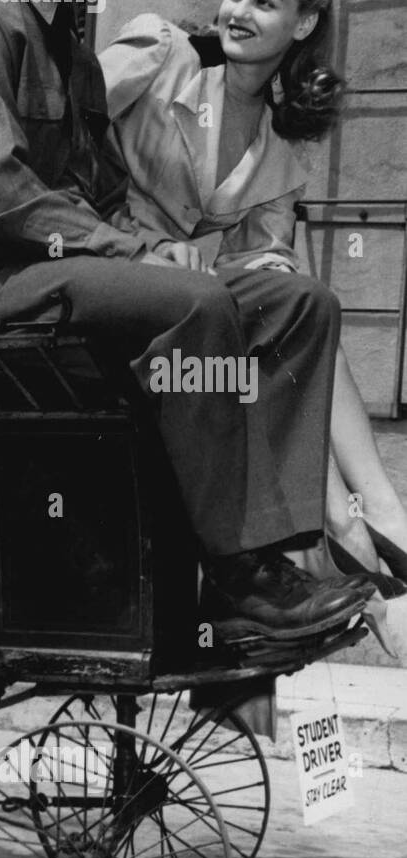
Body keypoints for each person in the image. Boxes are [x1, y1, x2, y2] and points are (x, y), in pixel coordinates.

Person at [0, 0, 372, 642]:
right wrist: (136, 251)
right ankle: (238, 571)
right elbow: (1, 196)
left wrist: (152, 247)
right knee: (195, 301)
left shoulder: (69, 50)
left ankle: (279, 552)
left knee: (301, 305)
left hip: (62, 266)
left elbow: (102, 193)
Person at [100, 0, 407, 600]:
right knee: (277, 324)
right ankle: (354, 518)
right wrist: (138, 242)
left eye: (264, 3)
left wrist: (257, 264)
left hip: (195, 329)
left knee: (303, 307)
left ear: (303, 23)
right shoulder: (161, 53)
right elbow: (60, 150)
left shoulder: (278, 149)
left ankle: (360, 513)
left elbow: (265, 264)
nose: (237, 10)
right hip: (105, 281)